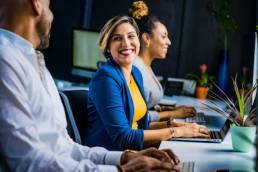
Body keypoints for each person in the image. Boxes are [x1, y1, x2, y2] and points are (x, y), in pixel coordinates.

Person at [0, 0, 180, 171]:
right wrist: (119, 170)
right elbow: (28, 162)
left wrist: (124, 158)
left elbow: (66, 148)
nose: (53, 15)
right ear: (36, 3)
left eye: (131, 36)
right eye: (50, 5)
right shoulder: (6, 60)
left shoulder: (33, 61)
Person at [85, 15, 210, 151]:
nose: (126, 43)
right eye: (117, 38)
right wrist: (176, 132)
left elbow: (141, 126)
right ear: (108, 47)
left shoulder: (136, 74)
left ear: (138, 41)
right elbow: (123, 137)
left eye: (131, 36)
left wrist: (178, 126)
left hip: (133, 150)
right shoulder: (105, 78)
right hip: (111, 156)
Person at [130, 1, 197, 122]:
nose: (169, 42)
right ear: (146, 38)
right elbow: (136, 118)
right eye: (163, 36)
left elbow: (146, 106)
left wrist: (167, 109)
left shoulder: (145, 66)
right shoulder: (135, 69)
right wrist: (171, 114)